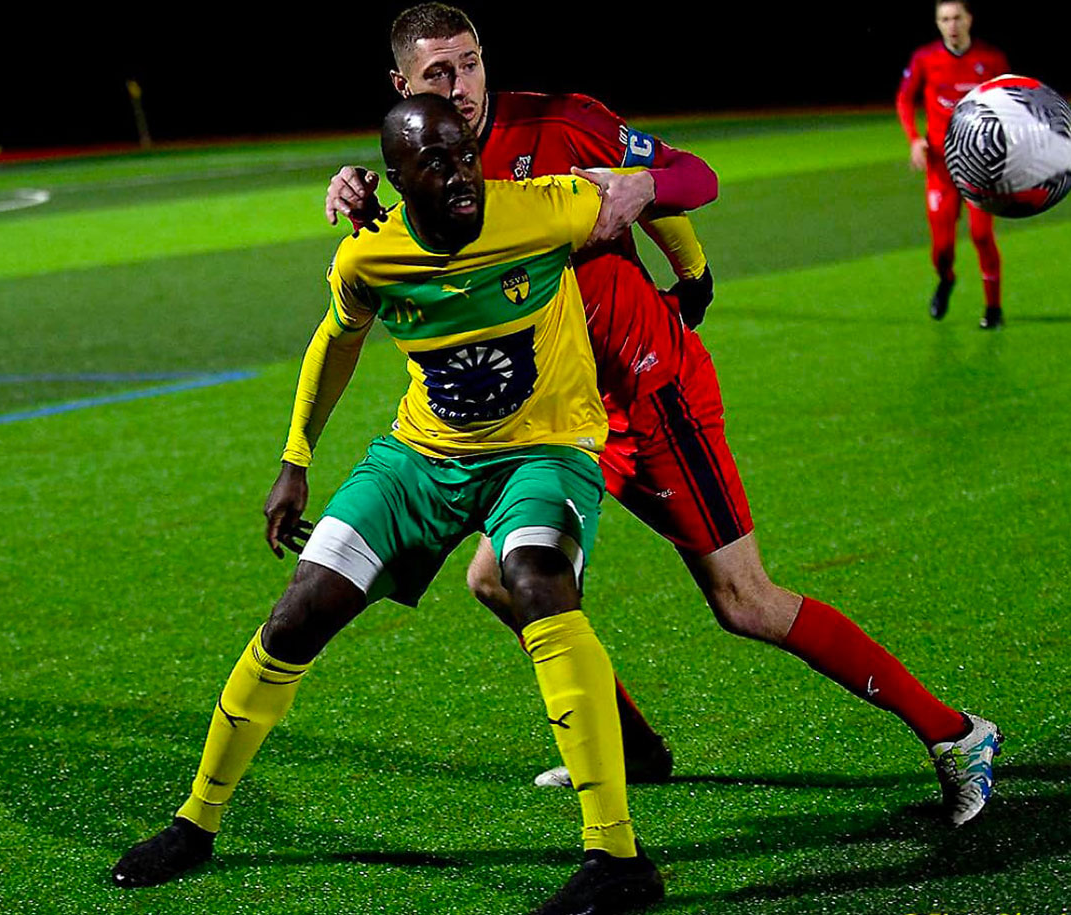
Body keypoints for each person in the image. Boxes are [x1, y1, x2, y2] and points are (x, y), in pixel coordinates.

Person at [327, 2, 1004, 826]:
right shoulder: (428, 165)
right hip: (564, 426)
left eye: (469, 63)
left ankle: (955, 732)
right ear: (402, 86)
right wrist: (352, 187)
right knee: (499, 579)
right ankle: (635, 750)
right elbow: (405, 249)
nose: (460, 86)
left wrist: (647, 189)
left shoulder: (563, 123)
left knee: (744, 599)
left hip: (651, 395)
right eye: (438, 74)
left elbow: (695, 176)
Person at [112, 94, 666, 915]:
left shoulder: (546, 207)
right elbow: (334, 340)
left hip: (543, 449)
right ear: (397, 180)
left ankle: (617, 855)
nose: (461, 175)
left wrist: (689, 271)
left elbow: (651, 190)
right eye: (435, 163)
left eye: (464, 154)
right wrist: (295, 460)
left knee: (537, 579)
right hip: (422, 456)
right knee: (299, 609)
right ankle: (196, 822)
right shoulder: (371, 255)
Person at [897, 0, 1010, 328]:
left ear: (969, 19)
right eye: (944, 19)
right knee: (942, 248)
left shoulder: (991, 59)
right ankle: (946, 279)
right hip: (941, 168)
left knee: (981, 236)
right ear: (937, 23)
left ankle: (993, 310)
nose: (952, 25)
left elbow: (1011, 103)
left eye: (957, 17)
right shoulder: (925, 58)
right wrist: (914, 138)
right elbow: (905, 98)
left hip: (979, 165)